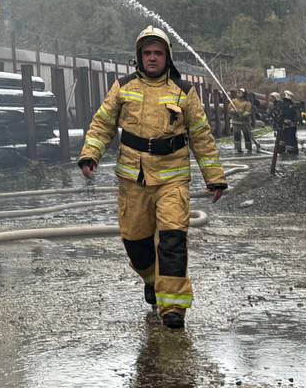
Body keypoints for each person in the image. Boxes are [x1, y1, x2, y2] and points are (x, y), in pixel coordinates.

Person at [78, 26, 228, 330]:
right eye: (147, 53)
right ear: (139, 56)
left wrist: (214, 177)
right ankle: (151, 279)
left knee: (173, 240)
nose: (152, 58)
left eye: (158, 53)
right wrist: (90, 154)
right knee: (136, 244)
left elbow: (201, 135)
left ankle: (173, 308)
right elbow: (102, 124)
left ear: (167, 56)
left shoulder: (183, 92)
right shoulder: (122, 88)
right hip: (133, 180)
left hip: (173, 180)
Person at [230, 87, 256, 154]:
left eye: (240, 92)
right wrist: (233, 111)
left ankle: (248, 148)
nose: (239, 93)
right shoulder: (233, 101)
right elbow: (229, 108)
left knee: (247, 135)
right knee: (237, 135)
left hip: (245, 122)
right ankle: (237, 148)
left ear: (244, 94)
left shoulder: (247, 103)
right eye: (238, 92)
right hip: (236, 122)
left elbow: (248, 111)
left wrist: (242, 114)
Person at [278, 90, 300, 155]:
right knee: (289, 140)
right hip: (288, 126)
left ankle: (288, 152)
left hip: (287, 126)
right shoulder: (292, 105)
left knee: (287, 140)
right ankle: (290, 152)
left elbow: (281, 114)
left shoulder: (287, 105)